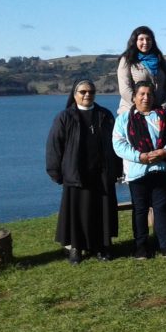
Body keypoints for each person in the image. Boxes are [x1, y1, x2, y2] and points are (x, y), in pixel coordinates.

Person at [46, 79, 121, 264]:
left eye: (91, 91)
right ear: (74, 94)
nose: (87, 95)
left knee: (101, 211)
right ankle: (75, 249)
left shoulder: (105, 115)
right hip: (76, 173)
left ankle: (102, 246)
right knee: (76, 214)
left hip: (102, 173)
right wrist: (55, 172)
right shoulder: (65, 117)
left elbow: (116, 143)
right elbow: (54, 145)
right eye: (83, 92)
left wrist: (117, 168)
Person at [113, 81, 166, 258]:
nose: (146, 97)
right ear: (134, 97)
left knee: (161, 208)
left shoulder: (165, 116)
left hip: (160, 168)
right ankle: (141, 246)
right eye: (142, 94)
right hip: (137, 171)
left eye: (149, 94)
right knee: (140, 209)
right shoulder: (123, 120)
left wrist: (165, 151)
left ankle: (165, 244)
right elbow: (118, 144)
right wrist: (140, 157)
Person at [117, 26, 166, 115]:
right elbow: (124, 88)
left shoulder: (159, 59)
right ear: (135, 41)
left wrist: (165, 105)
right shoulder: (127, 60)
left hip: (158, 112)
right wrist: (140, 106)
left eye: (148, 39)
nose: (145, 42)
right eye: (141, 39)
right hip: (133, 112)